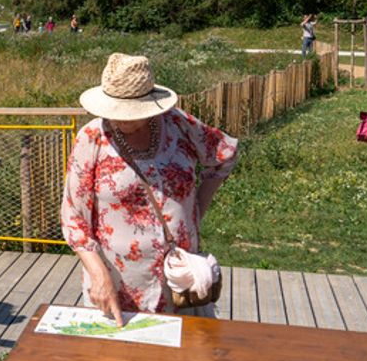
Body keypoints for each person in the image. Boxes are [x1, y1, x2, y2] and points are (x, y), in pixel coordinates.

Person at [61, 53, 239, 324]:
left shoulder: (178, 124)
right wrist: (98, 274)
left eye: (130, 114)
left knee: (182, 360)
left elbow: (224, 154)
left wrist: (196, 212)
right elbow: (73, 218)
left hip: (178, 280)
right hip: (117, 284)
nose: (119, 119)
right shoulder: (91, 138)